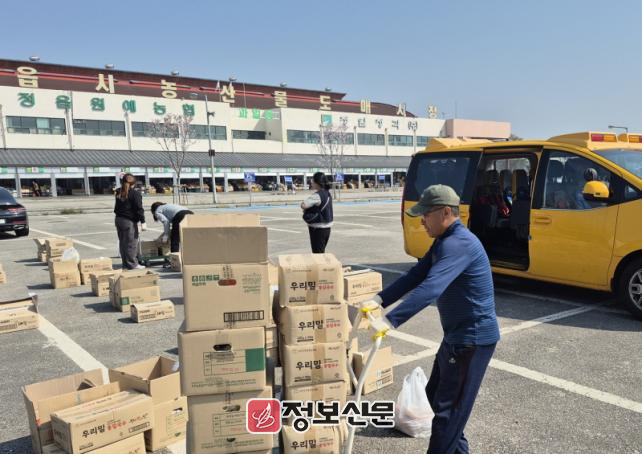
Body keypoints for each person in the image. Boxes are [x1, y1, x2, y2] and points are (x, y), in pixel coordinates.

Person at [367, 184, 500, 454]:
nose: (422, 221)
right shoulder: (443, 240)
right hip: (456, 337)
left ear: (446, 212)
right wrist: (379, 299)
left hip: (471, 341)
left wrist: (390, 321)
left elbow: (431, 288)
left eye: (426, 214)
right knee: (437, 401)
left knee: (447, 415)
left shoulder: (459, 244)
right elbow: (417, 275)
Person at [114, 173, 146, 270]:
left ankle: (125, 263)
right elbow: (139, 208)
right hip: (128, 221)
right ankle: (132, 264)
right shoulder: (135, 194)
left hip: (118, 219)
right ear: (134, 183)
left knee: (123, 242)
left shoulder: (118, 192)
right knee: (131, 243)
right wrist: (143, 222)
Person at [301, 172, 333, 253]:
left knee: (318, 254)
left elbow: (303, 205)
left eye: (313, 181)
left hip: (317, 227)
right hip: (327, 227)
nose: (311, 182)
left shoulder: (317, 195)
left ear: (317, 182)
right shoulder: (328, 193)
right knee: (321, 251)